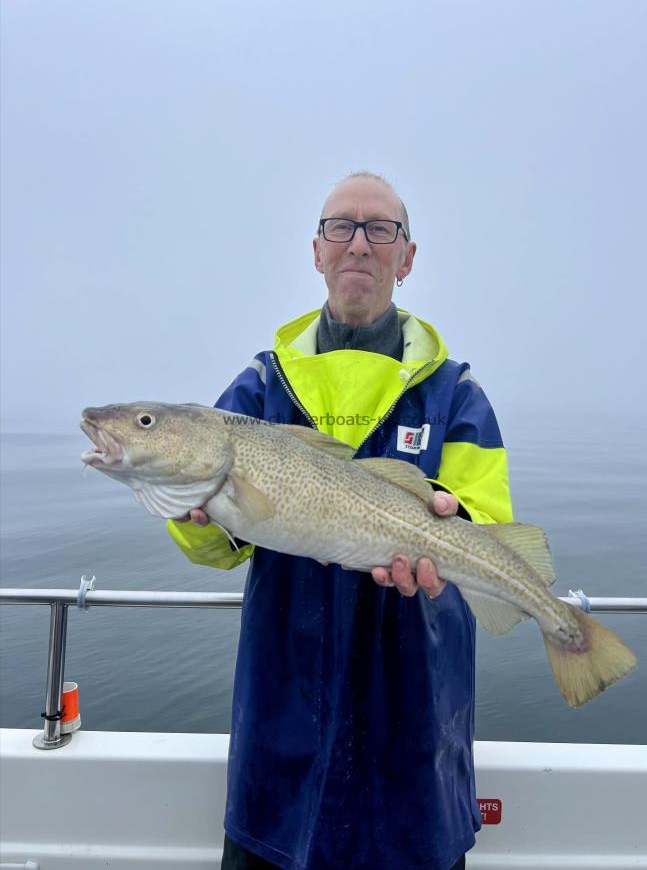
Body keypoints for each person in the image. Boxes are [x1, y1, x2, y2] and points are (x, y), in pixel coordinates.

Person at [169, 172, 513, 870]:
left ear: (406, 257)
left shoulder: (456, 393)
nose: (358, 242)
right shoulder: (258, 388)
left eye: (379, 228)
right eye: (340, 227)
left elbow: (488, 515)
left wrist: (453, 519)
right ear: (316, 251)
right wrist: (199, 514)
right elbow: (210, 547)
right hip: (282, 700)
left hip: (417, 701)